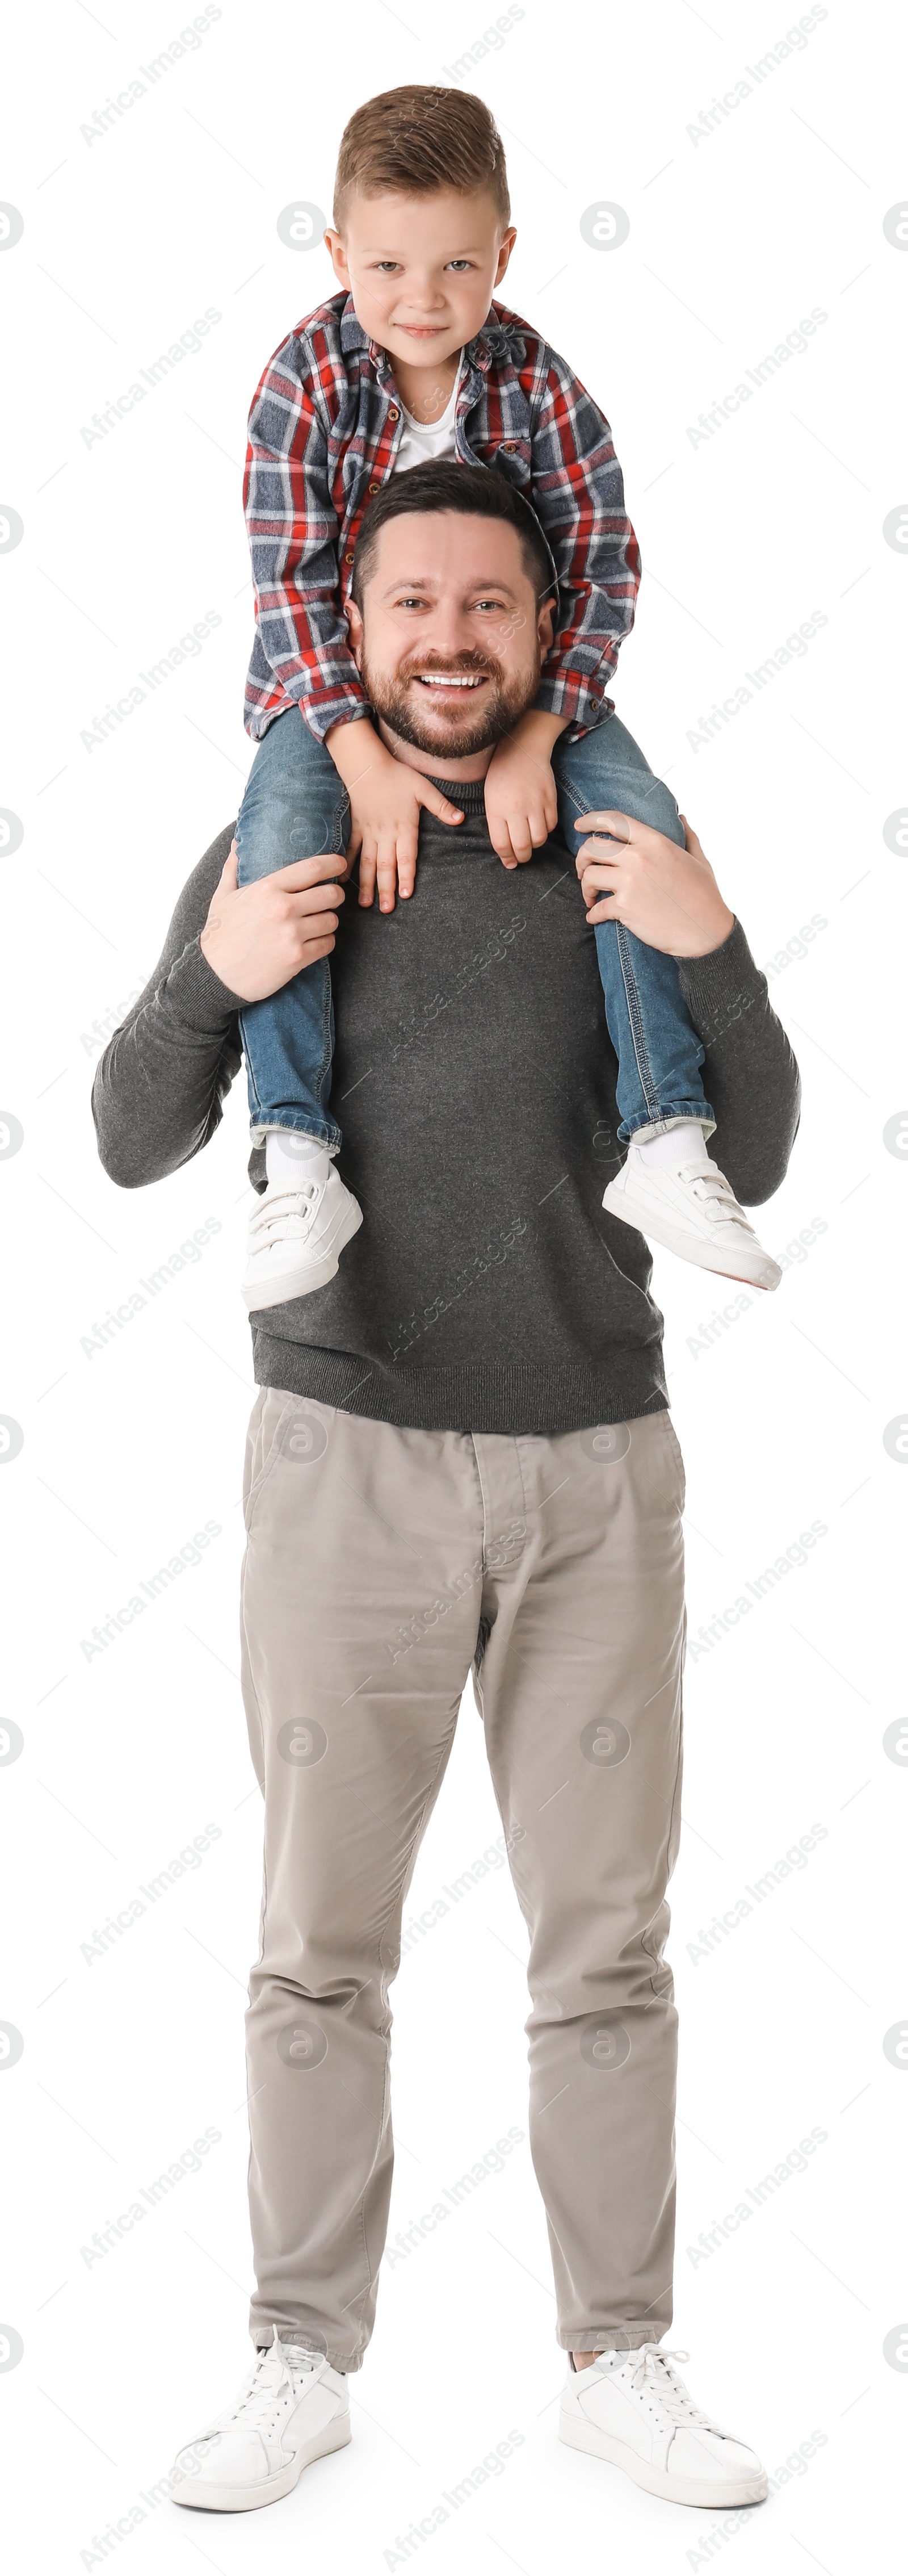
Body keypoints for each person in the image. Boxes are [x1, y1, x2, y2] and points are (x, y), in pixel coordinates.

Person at [93, 476, 800, 2519]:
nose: (451, 637)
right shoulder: (282, 833)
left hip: (597, 1461)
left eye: (491, 600)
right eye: (413, 600)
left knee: (609, 1947)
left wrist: (712, 935)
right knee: (320, 1942)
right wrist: (215, 972)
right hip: (346, 1463)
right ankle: (297, 2352)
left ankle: (621, 2354)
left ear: (546, 618)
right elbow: (135, 1133)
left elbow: (747, 1142)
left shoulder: (612, 836)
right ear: (358, 615)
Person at [235, 82, 781, 1310]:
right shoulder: (305, 379)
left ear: (505, 256)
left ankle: (663, 1135)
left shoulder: (535, 383)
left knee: (634, 820)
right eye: (384, 265)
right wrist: (360, 760)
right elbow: (285, 580)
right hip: (330, 685)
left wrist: (540, 732)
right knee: (274, 845)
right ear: (335, 256)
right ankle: (295, 1151)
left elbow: (601, 559)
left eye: (454, 267)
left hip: (523, 691)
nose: (419, 301)